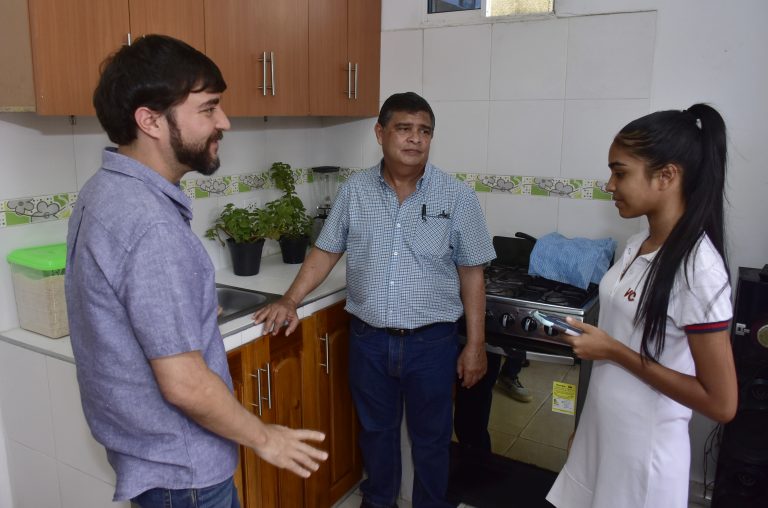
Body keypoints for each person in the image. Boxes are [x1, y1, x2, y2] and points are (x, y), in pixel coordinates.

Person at [64, 35, 327, 508]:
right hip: (183, 473)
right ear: (150, 120)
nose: (223, 122)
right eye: (208, 109)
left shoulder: (102, 191)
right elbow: (184, 382)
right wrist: (266, 438)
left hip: (147, 460)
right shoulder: (149, 223)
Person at [253, 92, 496, 508]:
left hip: (431, 344)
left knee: (432, 441)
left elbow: (472, 273)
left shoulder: (457, 196)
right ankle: (378, 502)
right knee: (376, 435)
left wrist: (475, 345)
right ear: (380, 133)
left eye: (424, 131)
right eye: (404, 128)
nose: (415, 139)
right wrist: (290, 299)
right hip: (369, 341)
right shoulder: (355, 191)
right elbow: (326, 250)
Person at [546, 104, 738, 508]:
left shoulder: (698, 269)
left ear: (667, 175)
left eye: (620, 172)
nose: (610, 185)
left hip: (642, 458)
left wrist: (613, 351)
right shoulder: (638, 243)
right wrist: (587, 429)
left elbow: (721, 403)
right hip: (604, 435)